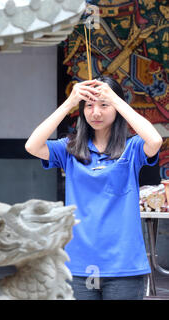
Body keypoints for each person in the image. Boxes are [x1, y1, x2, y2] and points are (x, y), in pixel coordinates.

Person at [25, 75, 163, 300]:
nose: (95, 112)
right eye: (88, 105)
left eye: (104, 105)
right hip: (78, 265)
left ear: (116, 107)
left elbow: (155, 141)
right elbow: (32, 145)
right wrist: (70, 102)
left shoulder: (132, 148)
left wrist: (117, 100)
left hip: (123, 266)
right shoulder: (68, 149)